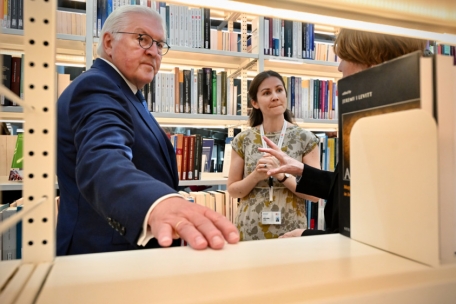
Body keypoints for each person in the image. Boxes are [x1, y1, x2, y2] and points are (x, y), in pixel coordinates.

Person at [56, 5, 239, 255]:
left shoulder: (128, 93)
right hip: (102, 257)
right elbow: (102, 159)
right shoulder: (97, 86)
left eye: (160, 45)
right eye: (142, 39)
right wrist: (156, 203)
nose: (154, 52)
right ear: (108, 43)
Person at [259, 28, 427, 237]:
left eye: (345, 58)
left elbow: (376, 232)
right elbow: (350, 186)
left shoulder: (396, 131)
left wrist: (306, 236)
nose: (339, 67)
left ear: (373, 63)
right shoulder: (377, 118)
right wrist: (300, 168)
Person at [227, 70, 321, 241]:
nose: (275, 96)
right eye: (266, 93)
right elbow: (233, 191)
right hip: (249, 229)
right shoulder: (242, 140)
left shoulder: (306, 139)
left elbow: (315, 195)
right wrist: (255, 176)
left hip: (292, 231)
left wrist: (281, 175)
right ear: (255, 103)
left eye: (279, 90)